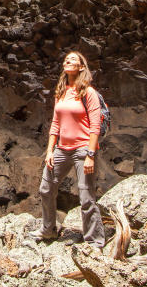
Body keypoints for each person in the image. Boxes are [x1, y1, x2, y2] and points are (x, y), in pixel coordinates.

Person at [34, 51, 106, 249]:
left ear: (82, 67)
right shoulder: (62, 91)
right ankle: (48, 229)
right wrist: (50, 150)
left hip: (83, 150)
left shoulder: (88, 93)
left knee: (86, 197)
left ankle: (94, 241)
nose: (67, 61)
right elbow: (56, 123)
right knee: (46, 188)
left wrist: (91, 155)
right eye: (66, 59)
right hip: (62, 149)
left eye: (73, 59)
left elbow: (95, 126)